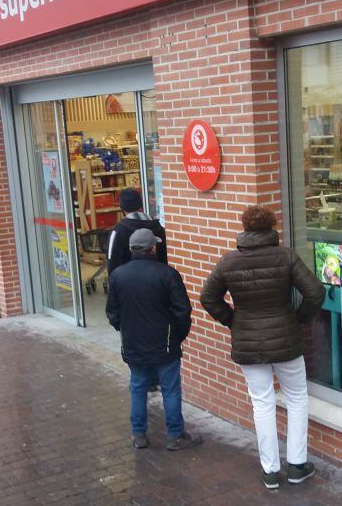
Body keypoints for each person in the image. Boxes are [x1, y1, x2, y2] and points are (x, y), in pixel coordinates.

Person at [200, 205, 325, 490]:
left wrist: (233, 320)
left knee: (262, 403)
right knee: (296, 399)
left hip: (248, 342)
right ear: (271, 227)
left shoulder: (228, 261)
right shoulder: (286, 256)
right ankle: (296, 465)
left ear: (244, 228)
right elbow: (316, 292)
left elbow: (208, 298)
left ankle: (270, 471)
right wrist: (299, 319)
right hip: (286, 339)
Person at [107, 228, 202, 451]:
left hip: (134, 344)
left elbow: (113, 312)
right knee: (170, 388)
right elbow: (182, 310)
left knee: (138, 387)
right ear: (152, 248)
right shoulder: (167, 274)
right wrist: (178, 335)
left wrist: (125, 330)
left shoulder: (118, 276)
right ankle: (175, 434)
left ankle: (139, 434)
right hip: (164, 343)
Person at [107, 188, 168, 274]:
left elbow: (113, 262)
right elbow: (165, 257)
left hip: (130, 281)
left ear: (122, 207)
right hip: (157, 279)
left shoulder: (118, 231)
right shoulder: (158, 227)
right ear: (141, 204)